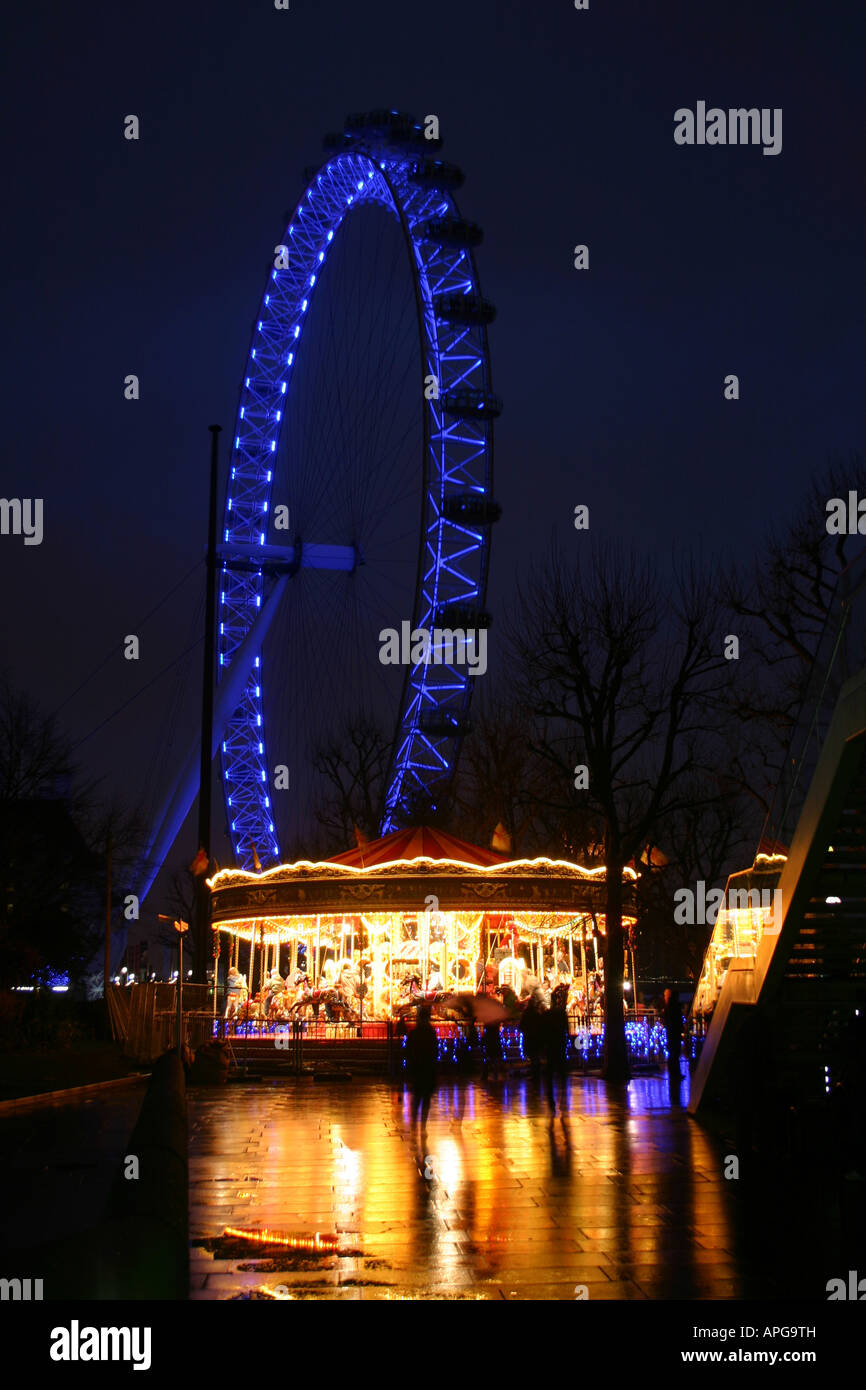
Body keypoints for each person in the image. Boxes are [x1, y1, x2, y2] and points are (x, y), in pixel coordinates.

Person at [405, 1004, 438, 1130]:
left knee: (418, 1097)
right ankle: (422, 1124)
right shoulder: (430, 1033)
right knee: (424, 1098)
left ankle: (416, 1122)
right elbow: (435, 1051)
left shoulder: (415, 1033)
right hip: (427, 1068)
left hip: (419, 1068)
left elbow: (409, 1050)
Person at [544, 983, 570, 1115]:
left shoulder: (548, 1014)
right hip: (559, 1043)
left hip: (551, 1044)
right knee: (561, 1069)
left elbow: (544, 1029)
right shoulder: (562, 1014)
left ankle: (550, 1095)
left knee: (550, 1070)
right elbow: (567, 1029)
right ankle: (563, 1093)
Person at [663, 987, 683, 1083]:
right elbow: (675, 1021)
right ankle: (675, 1073)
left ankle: (674, 1073)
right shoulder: (674, 1007)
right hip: (674, 1033)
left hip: (671, 1033)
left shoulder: (669, 1006)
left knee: (673, 1053)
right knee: (675, 1053)